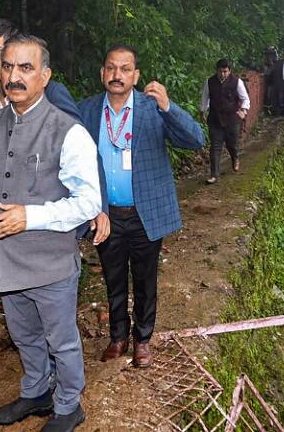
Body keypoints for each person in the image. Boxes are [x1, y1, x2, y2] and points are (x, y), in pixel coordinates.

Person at [0, 34, 101, 431]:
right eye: (8, 66)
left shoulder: (68, 131)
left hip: (50, 263)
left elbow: (88, 201)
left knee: (62, 341)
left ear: (45, 76)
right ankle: (36, 390)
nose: (14, 76)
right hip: (4, 261)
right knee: (24, 335)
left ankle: (68, 406)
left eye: (26, 68)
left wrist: (30, 217)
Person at [77, 44, 204, 368]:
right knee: (113, 278)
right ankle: (118, 337)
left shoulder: (151, 109)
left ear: (135, 75)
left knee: (146, 280)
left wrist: (169, 106)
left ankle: (142, 339)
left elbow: (195, 140)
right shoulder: (87, 111)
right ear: (102, 73)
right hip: (106, 216)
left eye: (124, 69)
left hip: (144, 213)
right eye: (111, 68)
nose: (117, 75)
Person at [0, 19, 81, 245]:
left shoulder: (51, 93)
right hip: (4, 223)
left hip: (49, 225)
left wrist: (98, 208)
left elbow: (83, 152)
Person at [200, 59, 250, 183]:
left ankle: (235, 158)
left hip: (231, 119)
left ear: (230, 71)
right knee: (215, 147)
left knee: (232, 144)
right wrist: (202, 111)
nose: (223, 74)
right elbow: (205, 98)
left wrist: (243, 110)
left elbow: (245, 99)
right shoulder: (209, 82)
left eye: (225, 71)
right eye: (221, 71)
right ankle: (214, 174)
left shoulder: (237, 82)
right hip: (215, 119)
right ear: (217, 70)